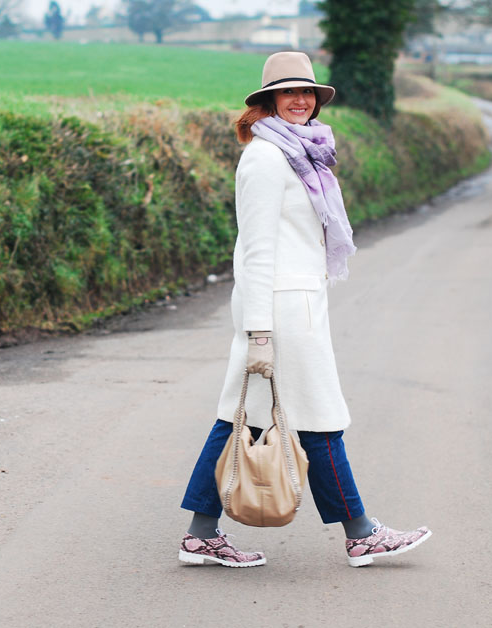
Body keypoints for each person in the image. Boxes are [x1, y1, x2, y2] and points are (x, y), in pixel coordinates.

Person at [178, 51, 432, 569]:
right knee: (318, 421)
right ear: (269, 100)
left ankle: (201, 534)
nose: (300, 100)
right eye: (288, 92)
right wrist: (258, 332)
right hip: (279, 311)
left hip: (294, 305)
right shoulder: (267, 158)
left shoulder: (302, 153)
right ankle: (361, 533)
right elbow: (255, 250)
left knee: (241, 420)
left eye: (308, 92)